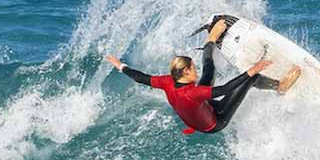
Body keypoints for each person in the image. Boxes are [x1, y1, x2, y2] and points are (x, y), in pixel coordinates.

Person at [104, 18, 301, 135]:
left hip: (199, 111)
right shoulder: (193, 92)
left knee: (209, 70)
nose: (195, 71)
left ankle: (211, 39)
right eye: (193, 69)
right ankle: (281, 86)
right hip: (215, 122)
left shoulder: (167, 81)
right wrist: (253, 69)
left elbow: (140, 78)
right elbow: (224, 90)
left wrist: (120, 65)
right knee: (251, 79)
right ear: (186, 72)